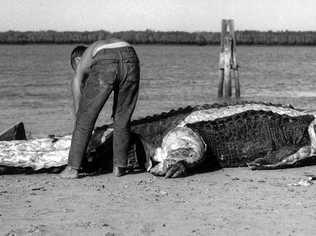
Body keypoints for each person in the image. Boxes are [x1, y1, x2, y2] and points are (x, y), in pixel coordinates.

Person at [60, 39, 140, 178]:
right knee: (122, 116)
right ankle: (119, 167)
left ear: (77, 60)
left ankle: (72, 168)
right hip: (131, 55)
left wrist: (81, 134)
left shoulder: (83, 63)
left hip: (107, 60)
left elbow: (81, 114)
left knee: (85, 118)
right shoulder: (96, 47)